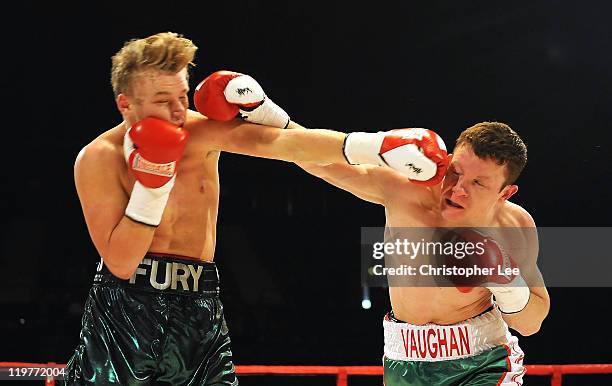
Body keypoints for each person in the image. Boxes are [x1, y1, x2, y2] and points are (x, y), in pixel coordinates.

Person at [64, 32, 441, 385]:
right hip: (126, 310)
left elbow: (284, 144)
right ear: (125, 103)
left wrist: (375, 146)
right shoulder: (98, 159)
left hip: (200, 307)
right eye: (164, 100)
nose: (180, 110)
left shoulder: (200, 131)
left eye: (182, 96)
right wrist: (153, 184)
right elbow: (121, 262)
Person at [295, 122, 551, 385]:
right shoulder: (404, 188)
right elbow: (317, 161)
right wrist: (274, 118)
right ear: (448, 160)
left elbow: (531, 322)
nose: (458, 189)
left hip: (484, 360)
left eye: (478, 183)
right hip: (404, 359)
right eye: (456, 172)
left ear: (505, 193)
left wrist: (506, 281)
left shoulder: (512, 226)